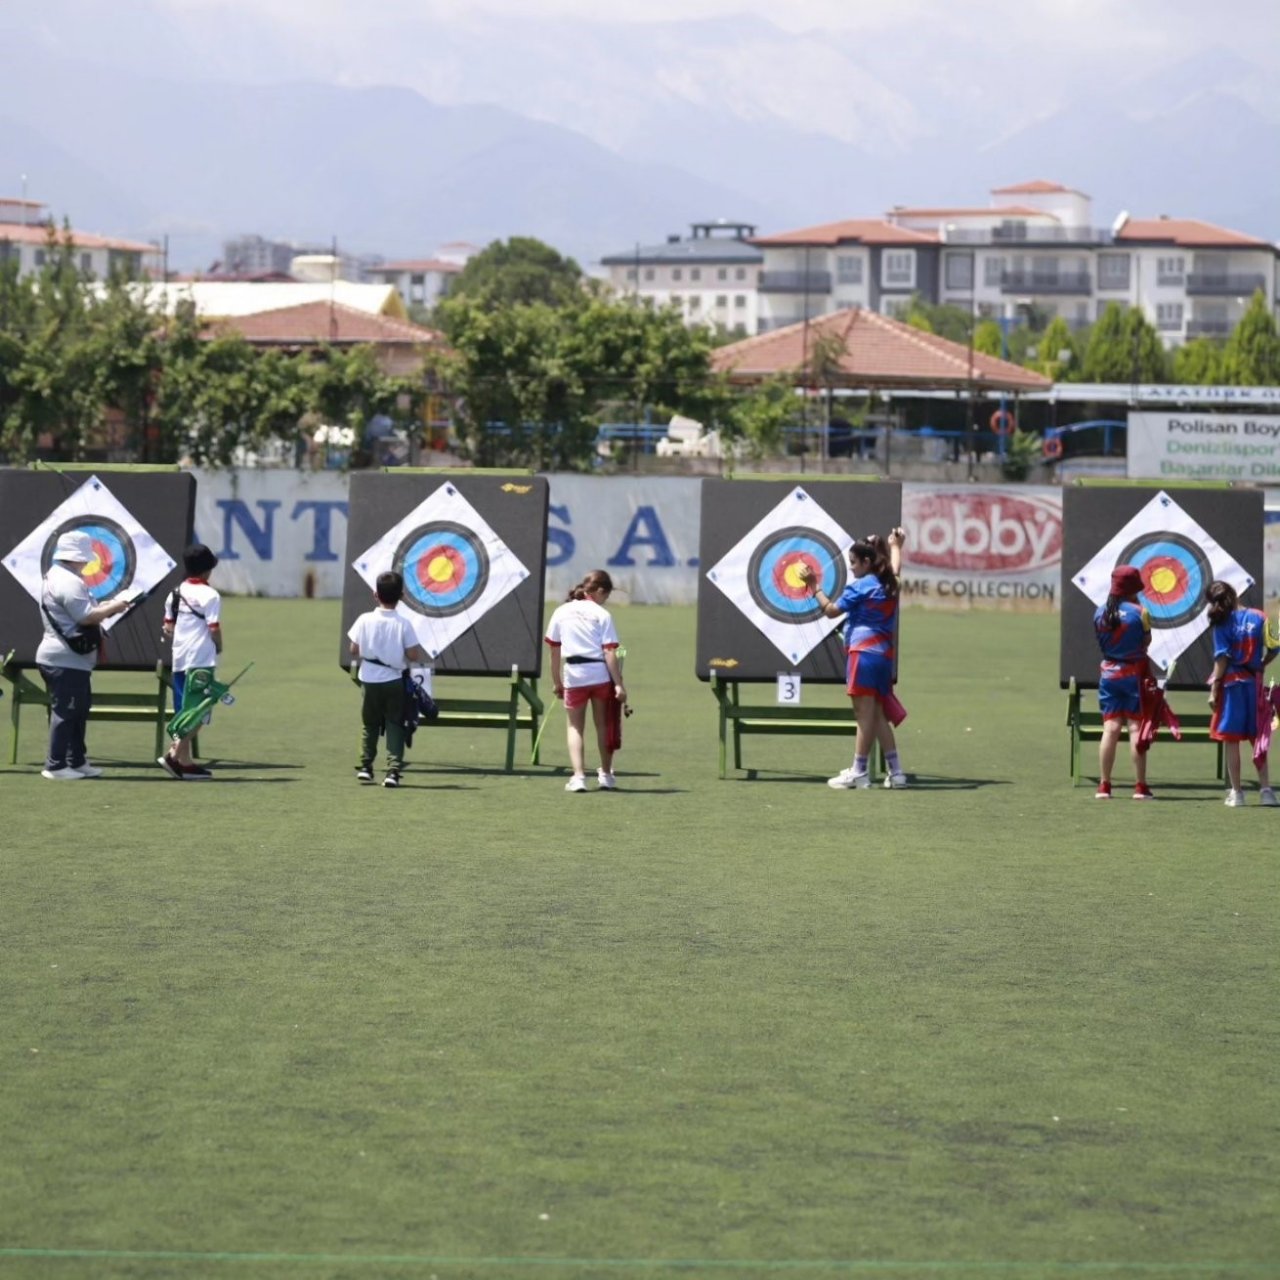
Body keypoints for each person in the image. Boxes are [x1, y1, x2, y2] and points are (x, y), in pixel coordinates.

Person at [798, 527, 908, 790]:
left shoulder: (861, 587)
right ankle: (897, 772)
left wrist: (814, 586)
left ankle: (859, 771)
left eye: (854, 563)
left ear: (867, 562)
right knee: (878, 714)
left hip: (863, 655)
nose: (852, 569)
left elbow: (831, 611)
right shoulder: (889, 582)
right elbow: (895, 568)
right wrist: (896, 546)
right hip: (882, 657)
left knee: (864, 715)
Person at [36, 530, 135, 780]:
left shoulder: (62, 578)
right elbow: (86, 617)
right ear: (77, 556)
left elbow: (87, 611)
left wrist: (111, 606)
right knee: (67, 711)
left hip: (69, 659)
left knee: (77, 710)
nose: (87, 562)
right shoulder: (68, 581)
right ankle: (56, 765)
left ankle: (76, 761)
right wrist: (116, 606)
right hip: (65, 658)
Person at [545, 569, 627, 793]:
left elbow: (554, 649)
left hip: (574, 673)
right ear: (599, 591)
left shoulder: (562, 611)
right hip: (599, 674)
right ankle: (607, 775)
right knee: (603, 724)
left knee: (575, 727)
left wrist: (556, 681)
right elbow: (609, 652)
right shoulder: (602, 614)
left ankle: (579, 776)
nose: (605, 600)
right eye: (606, 596)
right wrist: (618, 684)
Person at [347, 570, 426, 789]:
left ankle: (365, 767)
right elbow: (413, 655)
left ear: (375, 594)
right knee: (394, 723)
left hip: (369, 681)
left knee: (369, 723)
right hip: (393, 681)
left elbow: (353, 649)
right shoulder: (404, 623)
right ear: (401, 596)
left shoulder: (364, 619)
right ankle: (392, 771)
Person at [1206, 580, 1279, 807]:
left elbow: (1222, 659)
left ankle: (1237, 793)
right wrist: (1262, 663)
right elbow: (1275, 645)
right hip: (1253, 685)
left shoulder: (1221, 621)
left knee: (1231, 740)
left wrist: (1214, 689)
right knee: (1258, 738)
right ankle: (1266, 791)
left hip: (1230, 686)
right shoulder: (1259, 616)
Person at [159, 543, 223, 781]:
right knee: (200, 710)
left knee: (184, 710)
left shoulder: (174, 592)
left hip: (180, 658)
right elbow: (214, 629)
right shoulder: (210, 595)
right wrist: (220, 645)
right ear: (208, 570)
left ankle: (185, 763)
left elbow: (168, 627)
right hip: (201, 659)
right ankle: (174, 755)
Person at [1092, 564, 1154, 801]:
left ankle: (1104, 785)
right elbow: (1146, 641)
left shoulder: (1099, 613)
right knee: (1136, 729)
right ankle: (1140, 786)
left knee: (1110, 729)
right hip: (1133, 676)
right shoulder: (1141, 612)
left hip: (1109, 675)